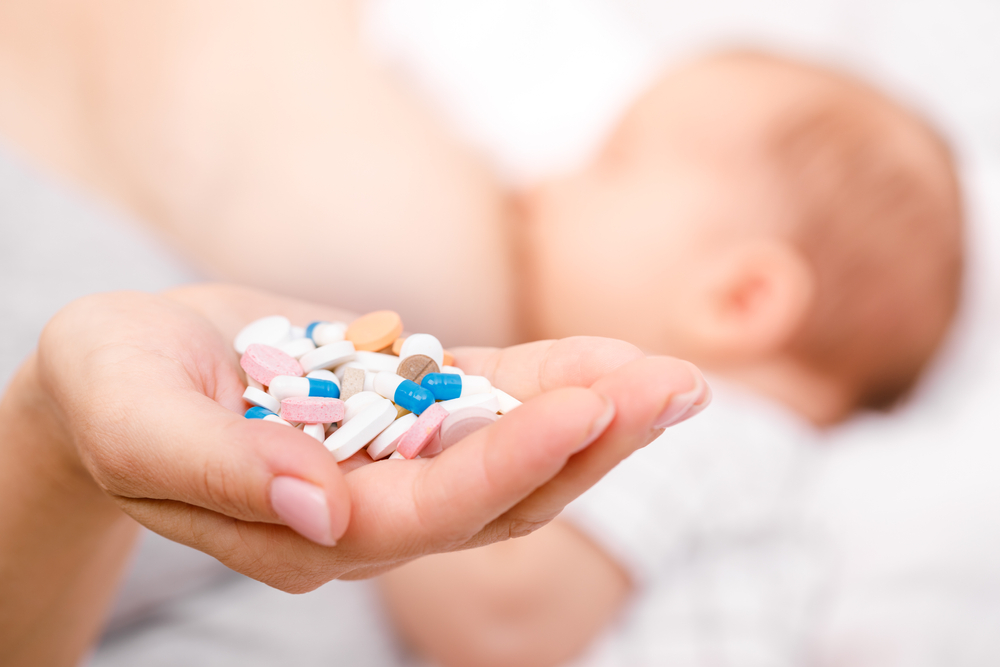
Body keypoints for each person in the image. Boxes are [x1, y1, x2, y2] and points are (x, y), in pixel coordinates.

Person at [376, 51, 963, 666]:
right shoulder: (771, 485)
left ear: (738, 299)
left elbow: (504, 616)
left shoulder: (691, 425)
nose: (538, 187)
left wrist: (366, 419)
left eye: (610, 162)